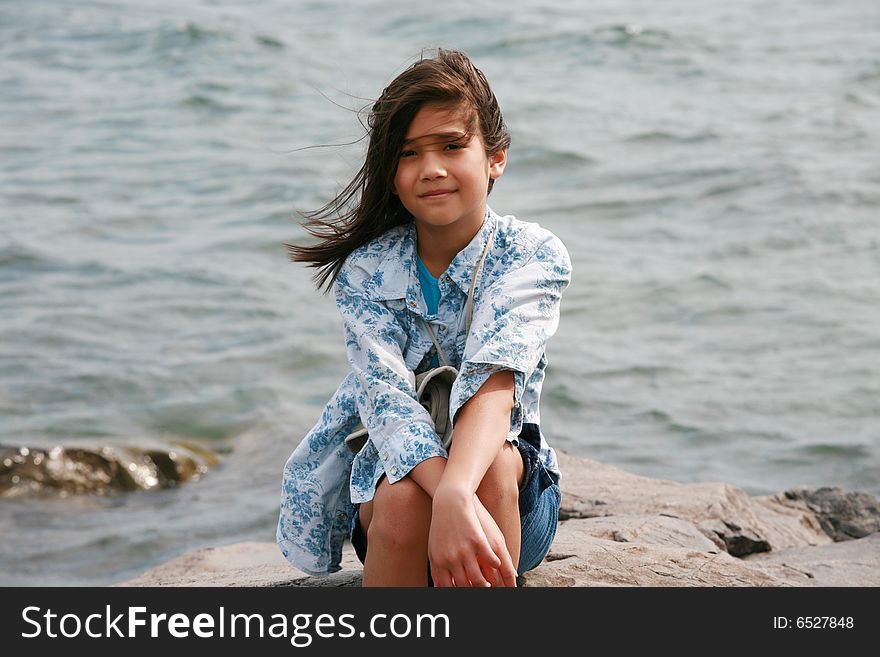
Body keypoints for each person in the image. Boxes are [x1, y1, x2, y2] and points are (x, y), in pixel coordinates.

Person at [277, 48, 572, 587]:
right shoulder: (369, 269)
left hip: (505, 498)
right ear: (391, 175)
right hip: (402, 493)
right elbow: (386, 400)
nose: (432, 168)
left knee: (497, 464)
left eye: (453, 146)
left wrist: (460, 493)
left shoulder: (530, 253)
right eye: (409, 153)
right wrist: (444, 497)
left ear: (496, 157)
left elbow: (495, 381)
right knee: (400, 500)